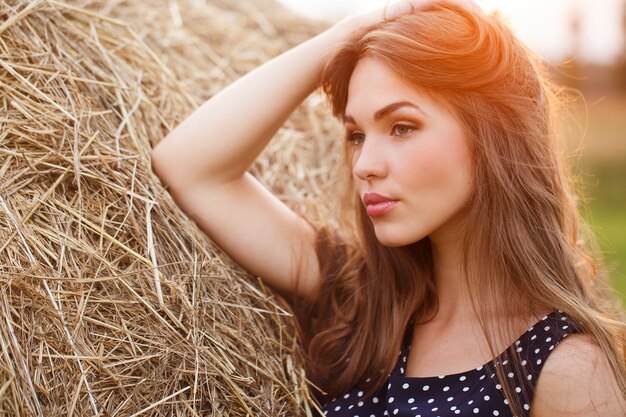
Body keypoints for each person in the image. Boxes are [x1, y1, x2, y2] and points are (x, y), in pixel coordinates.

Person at [150, 1, 626, 415]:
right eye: (356, 134)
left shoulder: (569, 368)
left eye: (401, 126)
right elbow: (190, 166)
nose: (365, 165)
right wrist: (346, 35)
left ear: (493, 137)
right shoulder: (364, 301)